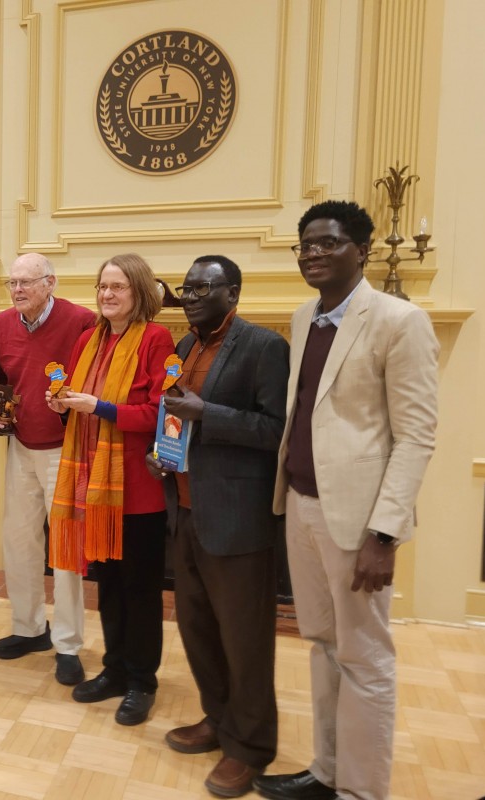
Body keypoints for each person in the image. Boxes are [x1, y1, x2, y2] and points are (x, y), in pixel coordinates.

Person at [254, 201, 439, 800]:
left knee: (366, 657)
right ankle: (328, 771)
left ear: (360, 249)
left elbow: (415, 435)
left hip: (359, 523)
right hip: (303, 506)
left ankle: (362, 791)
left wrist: (384, 535)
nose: (313, 253)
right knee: (324, 646)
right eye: (305, 245)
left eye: (328, 243)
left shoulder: (399, 320)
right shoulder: (305, 315)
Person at [146, 255, 289, 797]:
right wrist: (164, 452)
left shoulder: (264, 347)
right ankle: (218, 718)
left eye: (206, 287)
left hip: (237, 519)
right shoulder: (184, 348)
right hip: (185, 510)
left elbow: (278, 431)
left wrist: (210, 414)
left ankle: (250, 748)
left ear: (233, 292)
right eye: (187, 287)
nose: (193, 295)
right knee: (198, 630)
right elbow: (177, 413)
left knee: (245, 640)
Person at [47, 253, 175, 726]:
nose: (106, 295)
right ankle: (115, 669)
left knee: (140, 591)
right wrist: (63, 404)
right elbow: (81, 403)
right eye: (102, 286)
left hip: (136, 490)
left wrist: (97, 406)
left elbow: (162, 413)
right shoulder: (88, 340)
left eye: (117, 287)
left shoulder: (156, 339)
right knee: (110, 586)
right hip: (93, 489)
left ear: (139, 292)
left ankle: (143, 681)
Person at [0, 253, 97, 685]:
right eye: (12, 283)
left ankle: (68, 643)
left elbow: (95, 384)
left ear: (50, 283)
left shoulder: (82, 322)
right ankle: (29, 628)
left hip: (65, 449)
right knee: (18, 540)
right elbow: (0, 380)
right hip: (20, 445)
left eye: (26, 283)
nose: (17, 290)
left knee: (66, 549)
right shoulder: (0, 324)